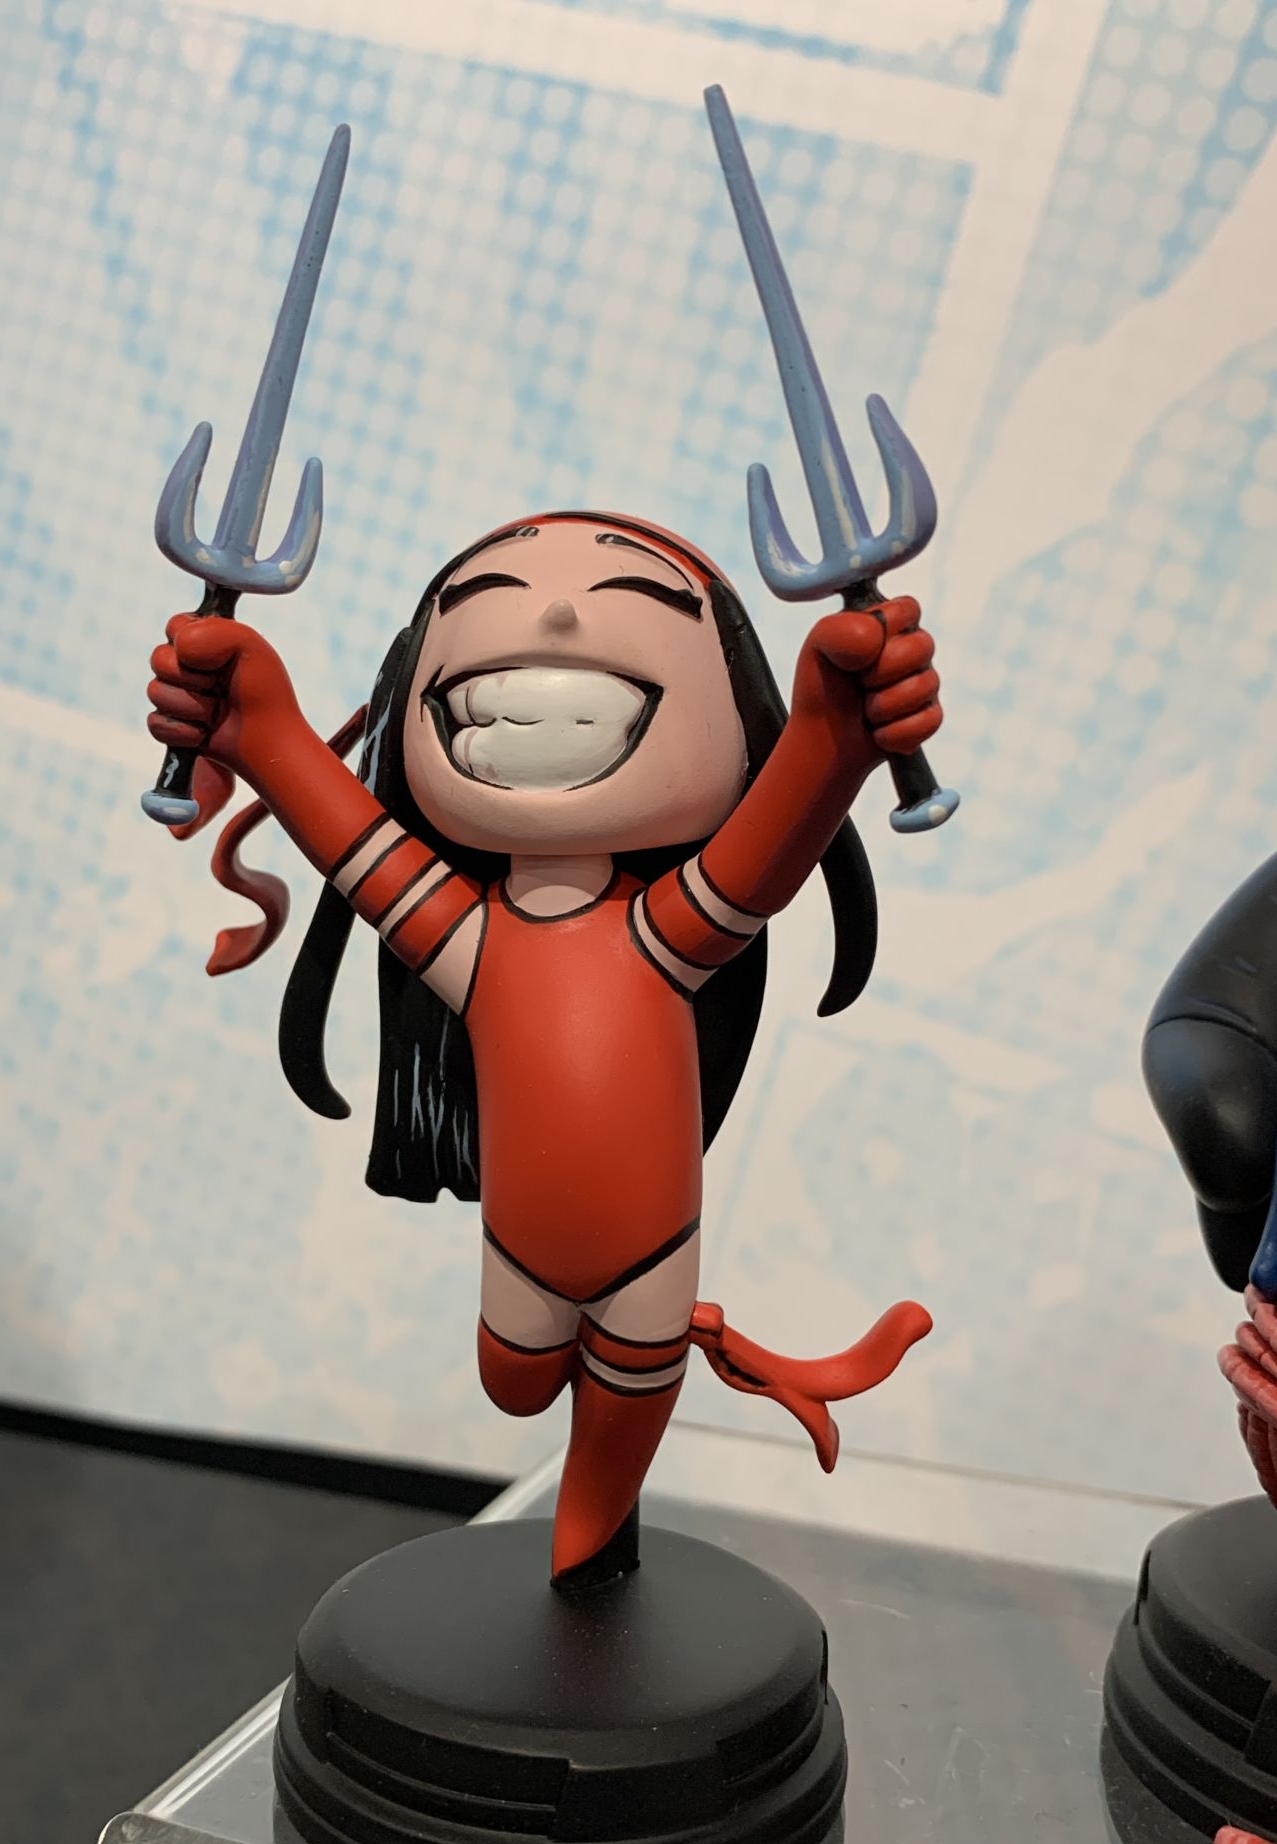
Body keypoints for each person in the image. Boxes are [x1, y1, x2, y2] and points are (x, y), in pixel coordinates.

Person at [146, 510, 940, 1583]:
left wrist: (834, 733)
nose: (558, 614)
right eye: (485, 601)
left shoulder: (668, 934)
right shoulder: (474, 940)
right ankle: (620, 1475)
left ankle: (597, 1537)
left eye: (635, 602)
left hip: (651, 1264)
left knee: (596, 1485)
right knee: (513, 1383)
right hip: (516, 1252)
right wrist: (262, 730)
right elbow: (353, 843)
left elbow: (773, 845)